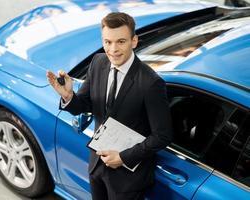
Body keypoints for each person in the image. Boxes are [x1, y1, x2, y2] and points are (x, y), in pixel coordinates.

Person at [47, 12, 173, 200]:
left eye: (120, 42)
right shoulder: (98, 62)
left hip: (127, 180)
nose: (113, 49)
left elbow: (162, 135)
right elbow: (86, 104)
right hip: (97, 165)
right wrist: (68, 97)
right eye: (107, 42)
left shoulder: (151, 83)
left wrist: (123, 157)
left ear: (134, 41)